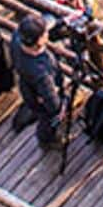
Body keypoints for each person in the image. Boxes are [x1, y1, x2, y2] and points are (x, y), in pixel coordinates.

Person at [13, 15, 67, 149]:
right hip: (40, 97)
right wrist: (61, 108)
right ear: (39, 42)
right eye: (45, 33)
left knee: (37, 109)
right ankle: (47, 140)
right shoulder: (41, 72)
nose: (47, 34)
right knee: (47, 119)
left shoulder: (17, 39)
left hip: (27, 87)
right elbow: (53, 104)